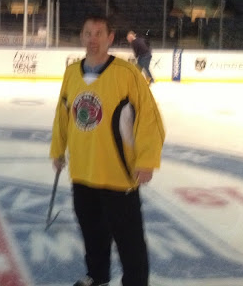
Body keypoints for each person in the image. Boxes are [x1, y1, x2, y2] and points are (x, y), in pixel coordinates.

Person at [50, 15, 165, 286]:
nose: (93, 39)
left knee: (129, 239)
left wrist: (147, 160)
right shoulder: (71, 73)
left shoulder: (127, 73)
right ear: (82, 36)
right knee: (92, 233)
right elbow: (63, 115)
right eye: (88, 33)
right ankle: (97, 276)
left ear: (110, 38)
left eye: (99, 33)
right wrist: (58, 150)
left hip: (118, 174)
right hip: (82, 172)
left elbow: (149, 119)